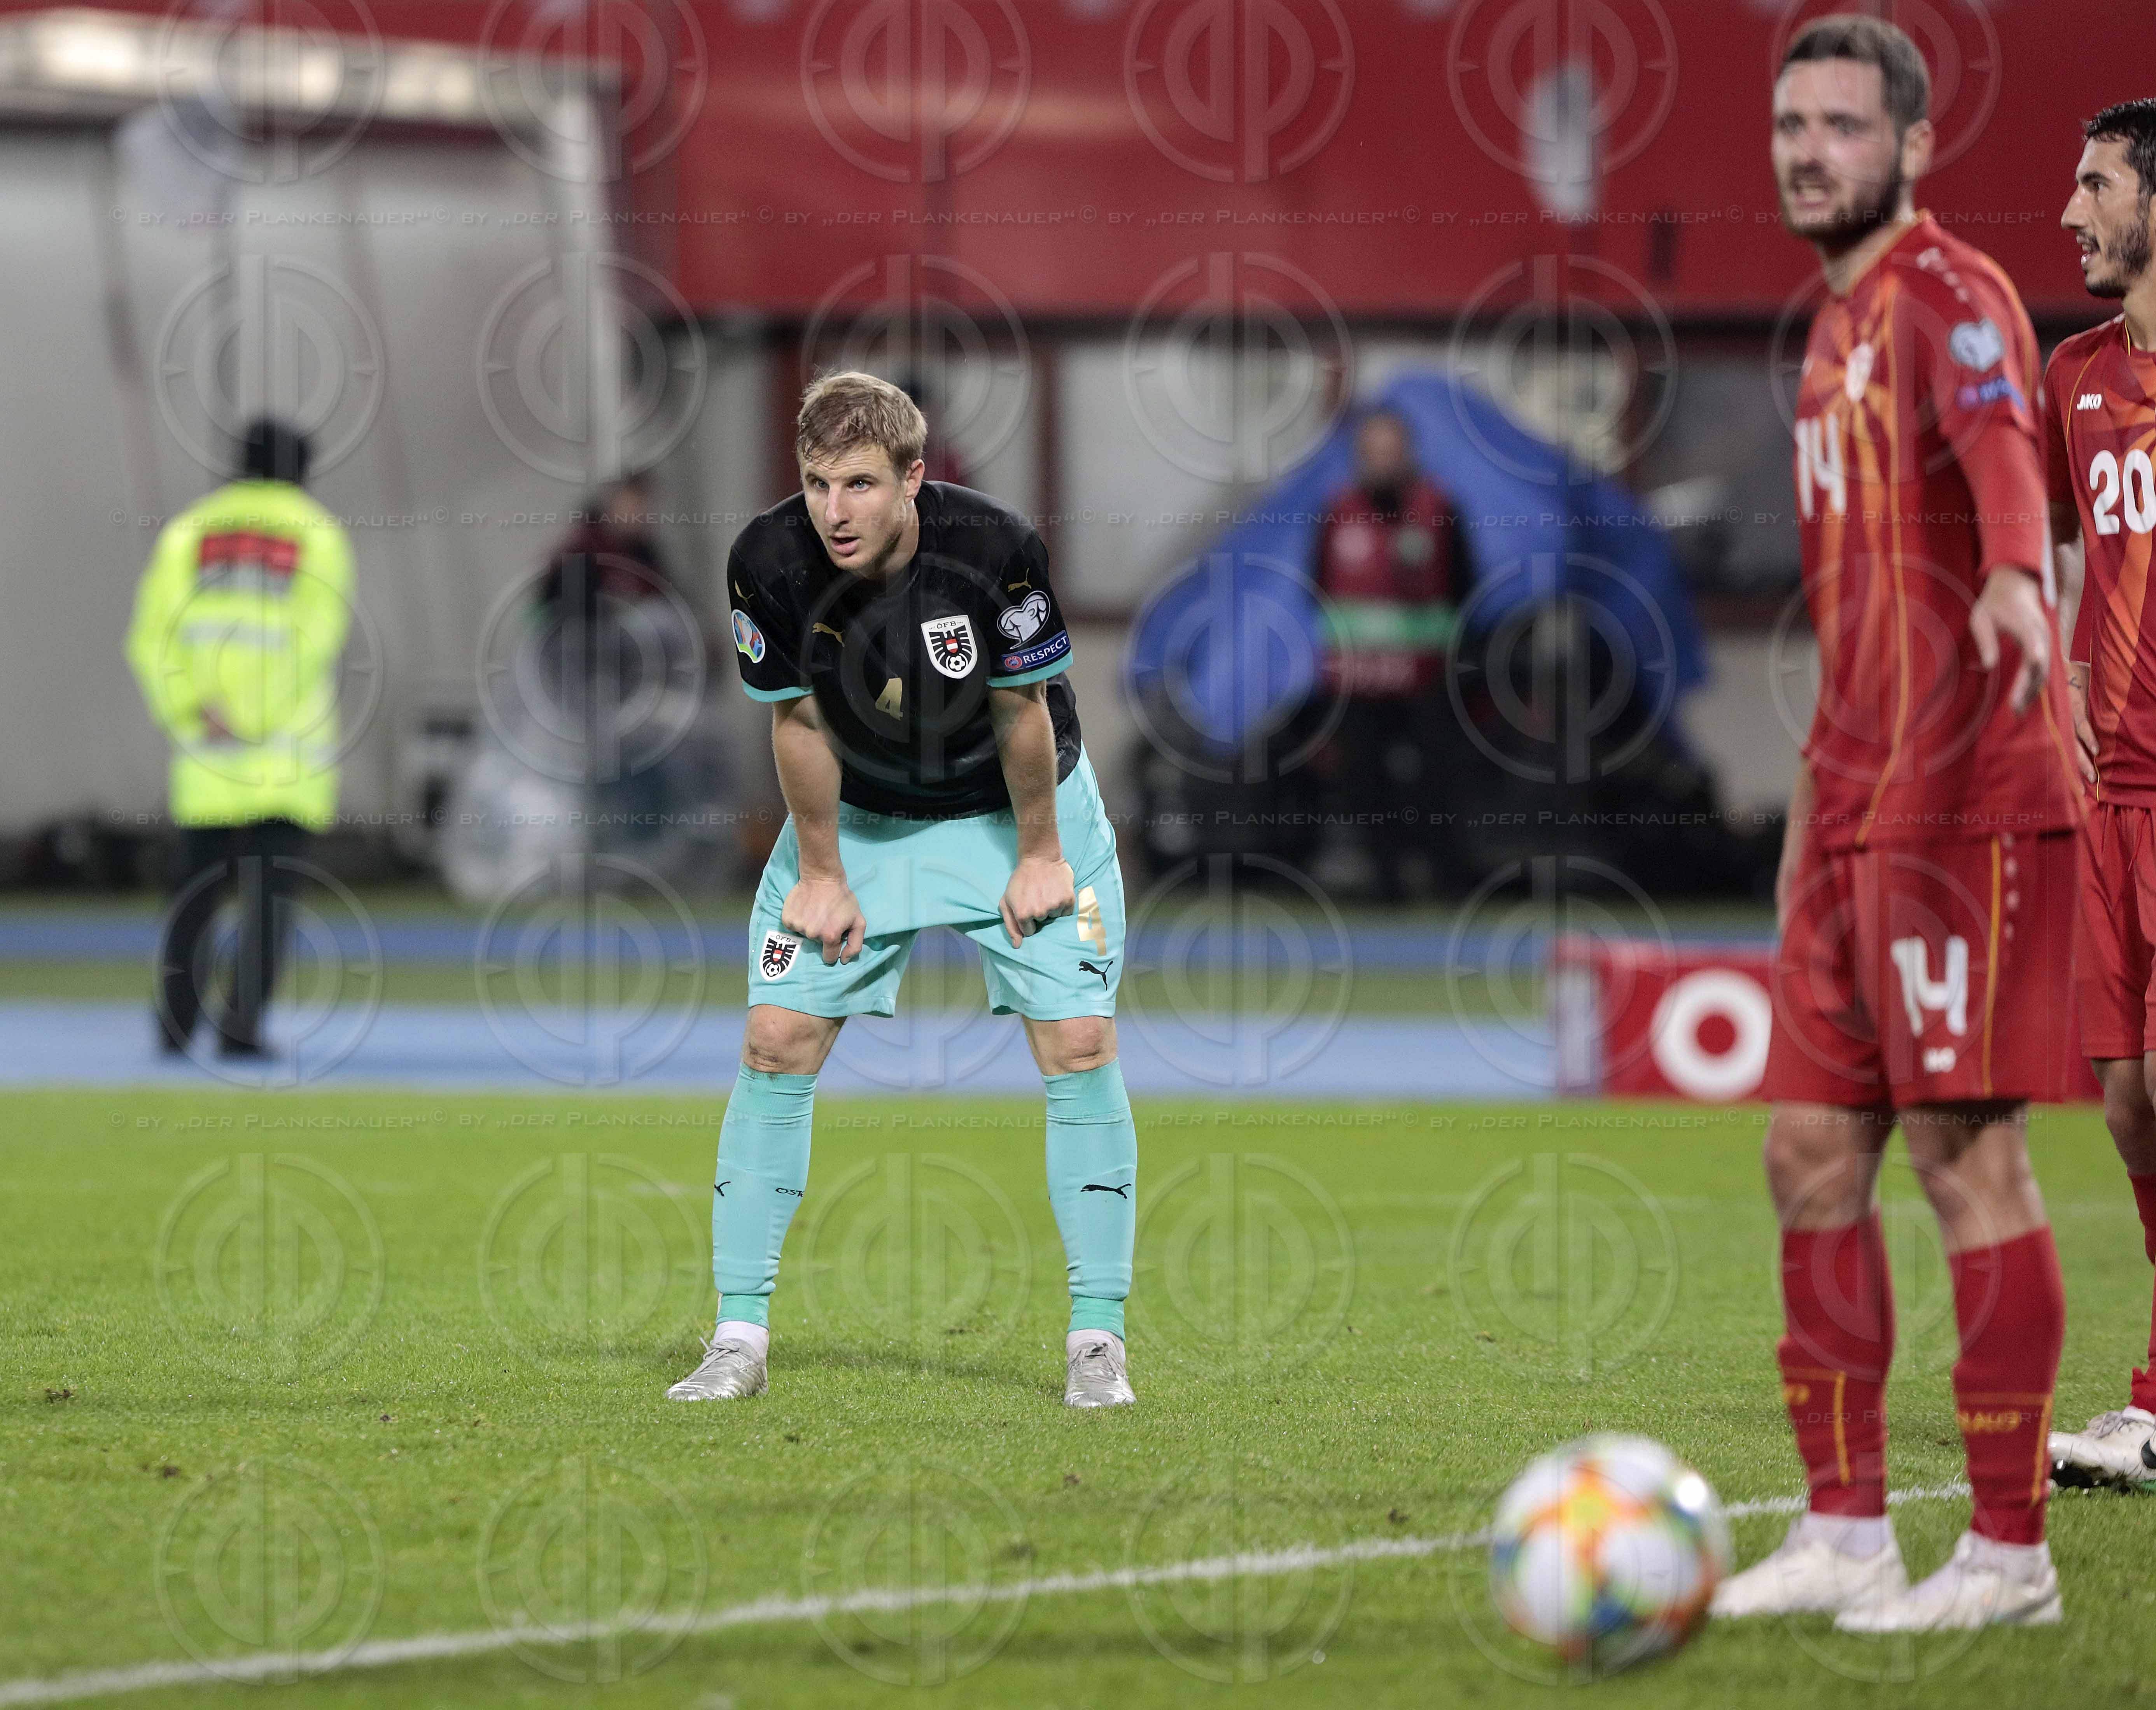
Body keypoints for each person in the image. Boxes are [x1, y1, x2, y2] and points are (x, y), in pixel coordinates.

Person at [1710, 18, 2085, 1631]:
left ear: (1915, 146)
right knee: (1807, 1150)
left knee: (1964, 1156)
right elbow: (1848, 607)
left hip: (1963, 803)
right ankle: (1845, 1529)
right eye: (1792, 125)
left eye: (1844, 126)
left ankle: (2008, 1554)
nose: (1811, 152)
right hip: (1856, 797)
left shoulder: (1950, 294)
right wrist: (1811, 811)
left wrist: (2012, 573)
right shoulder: (1829, 328)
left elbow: (2004, 453)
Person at [666, 371, 1136, 1409]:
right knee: (776, 1038)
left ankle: (1097, 1341)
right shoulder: (767, 561)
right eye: (817, 483)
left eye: (861, 484)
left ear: (914, 478)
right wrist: (823, 874)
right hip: (866, 819)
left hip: (1012, 810)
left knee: (1079, 1042)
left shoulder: (994, 548)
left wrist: (1040, 855)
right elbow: (796, 721)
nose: (834, 510)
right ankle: (738, 1338)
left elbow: (1024, 710)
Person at [2042, 98, 2156, 1493]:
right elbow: (2061, 549)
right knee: (2130, 1104)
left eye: (2098, 185)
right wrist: (2065, 680)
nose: (2073, 212)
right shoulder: (2074, 374)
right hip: (2112, 796)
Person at [125, 418, 353, 1058]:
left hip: (207, 756)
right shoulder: (317, 534)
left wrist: (195, 711)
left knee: (194, 897)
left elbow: (151, 638)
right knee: (269, 903)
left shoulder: (189, 533)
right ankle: (241, 1029)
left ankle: (175, 1026)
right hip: (286, 758)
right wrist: (254, 717)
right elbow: (315, 637)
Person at [1311, 408, 1467, 900]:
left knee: (1439, 779)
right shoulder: (1337, 513)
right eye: (1373, 452)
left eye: (1391, 451)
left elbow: (1465, 589)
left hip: (1426, 681)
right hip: (1358, 684)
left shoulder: (1439, 510)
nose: (1382, 461)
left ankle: (1446, 879)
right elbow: (1318, 588)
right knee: (1363, 782)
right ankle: (1384, 882)